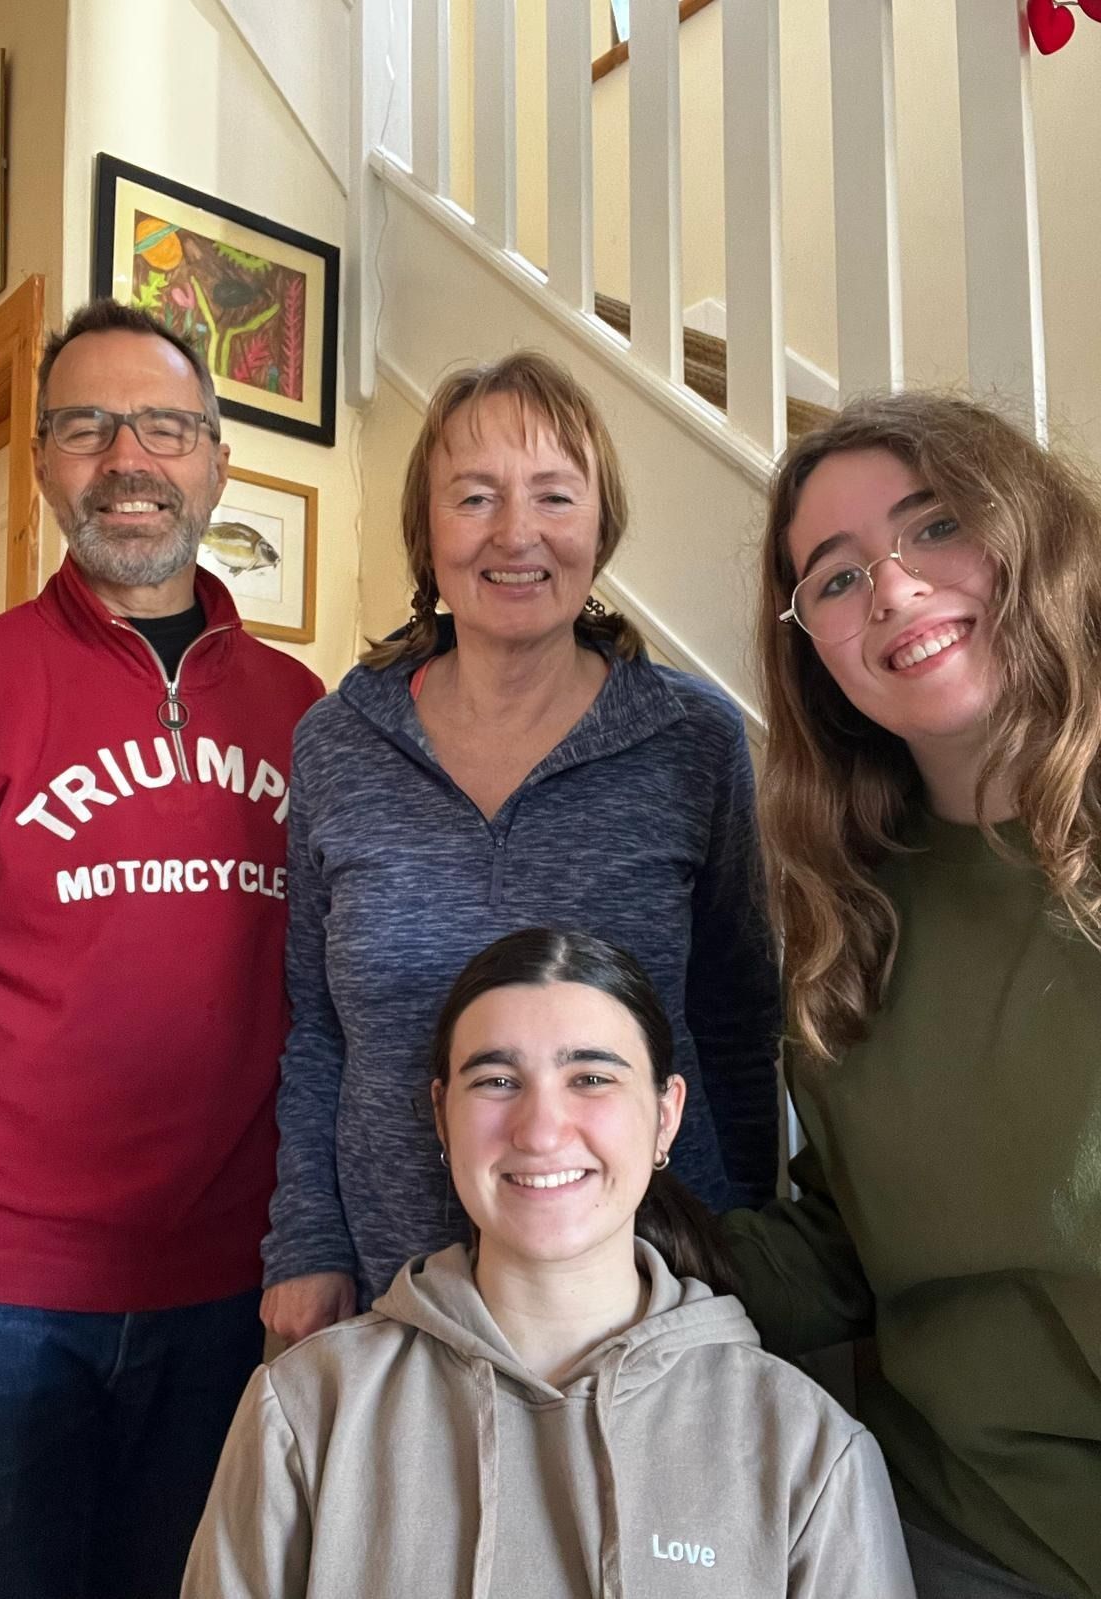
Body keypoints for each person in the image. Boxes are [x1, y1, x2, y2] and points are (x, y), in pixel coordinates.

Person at [0, 297, 324, 1599]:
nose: (127, 457)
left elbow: (329, 1004)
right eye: (87, 425)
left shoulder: (311, 715)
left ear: (216, 460)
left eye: (165, 426)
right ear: (43, 460)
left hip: (228, 1289)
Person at [261, 351, 781, 1342]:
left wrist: (744, 1248)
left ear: (599, 526)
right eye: (475, 497)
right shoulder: (337, 742)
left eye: (554, 495)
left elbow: (736, 1017)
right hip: (394, 1286)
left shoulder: (690, 739)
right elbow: (317, 1029)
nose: (517, 533)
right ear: (427, 530)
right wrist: (307, 1245)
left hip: (647, 1282)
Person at [187, 927, 914, 1598]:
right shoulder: (306, 1411)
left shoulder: (808, 1446)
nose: (539, 1129)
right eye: (497, 1080)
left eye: (592, 1077)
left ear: (665, 1116)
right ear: (442, 1117)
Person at [723, 393, 1101, 1599]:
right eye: (833, 580)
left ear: (1024, 530)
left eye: (933, 527)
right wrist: (618, 1241)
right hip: (943, 1537)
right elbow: (852, 1251)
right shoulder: (845, 916)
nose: (890, 591)